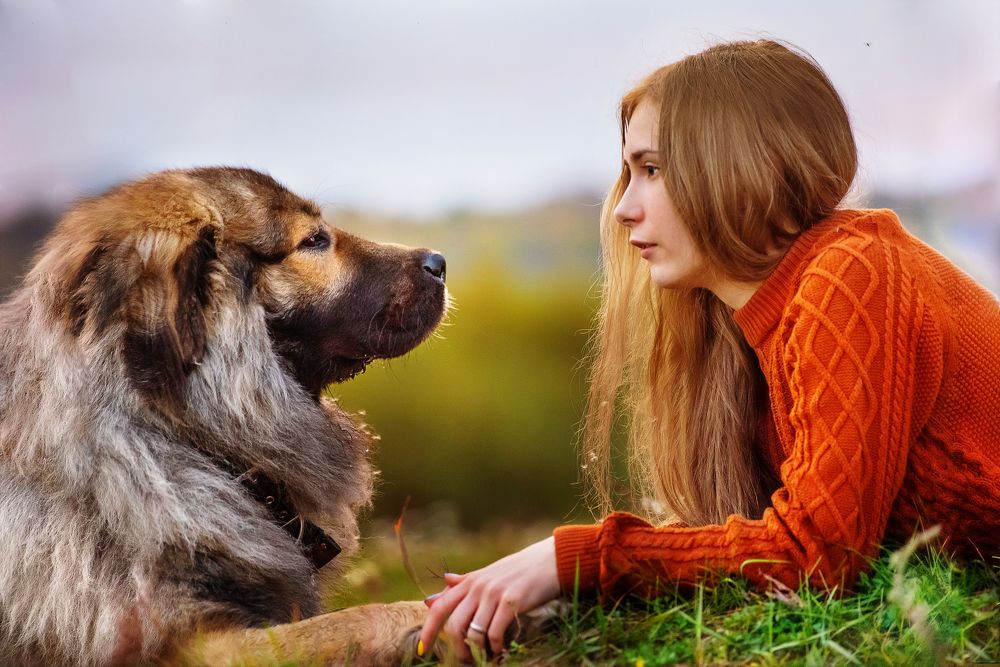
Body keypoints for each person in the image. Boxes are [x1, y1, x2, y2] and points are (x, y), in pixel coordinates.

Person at [418, 38, 1000, 660]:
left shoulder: (852, 271)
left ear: (736, 166)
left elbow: (817, 556)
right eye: (628, 174)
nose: (622, 209)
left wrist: (579, 557)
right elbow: (767, 539)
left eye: (653, 169)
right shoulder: (748, 329)